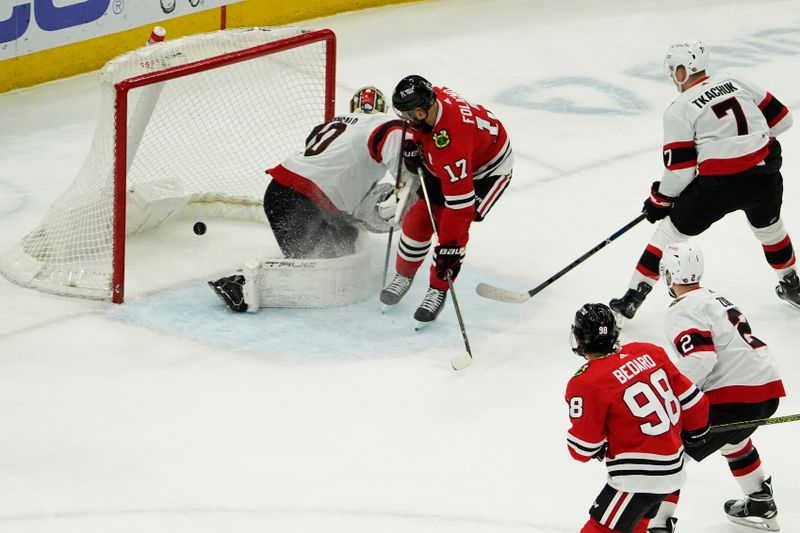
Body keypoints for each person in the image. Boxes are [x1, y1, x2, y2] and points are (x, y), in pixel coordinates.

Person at [609, 39, 797, 320]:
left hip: (718, 186)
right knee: (771, 231)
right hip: (764, 176)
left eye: (674, 70)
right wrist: (746, 143)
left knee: (668, 235)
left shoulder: (679, 108)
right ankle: (792, 285)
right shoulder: (734, 80)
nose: (674, 77)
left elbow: (681, 171)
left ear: (683, 71)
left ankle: (632, 298)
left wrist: (660, 201)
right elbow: (783, 120)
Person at [209, 86, 417, 311]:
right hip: (301, 199)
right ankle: (242, 283)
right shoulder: (386, 124)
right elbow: (399, 142)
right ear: (383, 109)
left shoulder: (334, 124)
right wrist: (408, 189)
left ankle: (254, 280)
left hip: (285, 193)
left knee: (347, 241)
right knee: (323, 269)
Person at [645, 242, 785, 532]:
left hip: (736, 396)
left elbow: (700, 358)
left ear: (669, 274)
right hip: (767, 390)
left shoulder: (683, 309)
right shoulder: (716, 297)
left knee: (669, 449)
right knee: (733, 437)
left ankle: (658, 524)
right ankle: (759, 501)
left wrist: (670, 398)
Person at [379, 74, 514, 327]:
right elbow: (426, 135)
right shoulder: (434, 98)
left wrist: (450, 247)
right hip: (456, 157)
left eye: (408, 116)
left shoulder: (451, 147)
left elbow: (459, 210)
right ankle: (404, 276)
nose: (405, 121)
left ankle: (437, 289)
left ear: (421, 113)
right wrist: (415, 143)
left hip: (486, 173)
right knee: (418, 220)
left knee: (449, 236)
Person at [565, 303, 709, 533]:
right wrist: (695, 435)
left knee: (599, 528)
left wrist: (597, 445)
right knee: (638, 526)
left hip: (638, 478)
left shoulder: (586, 382)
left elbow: (582, 449)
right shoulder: (648, 351)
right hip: (673, 470)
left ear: (579, 339)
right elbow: (696, 402)